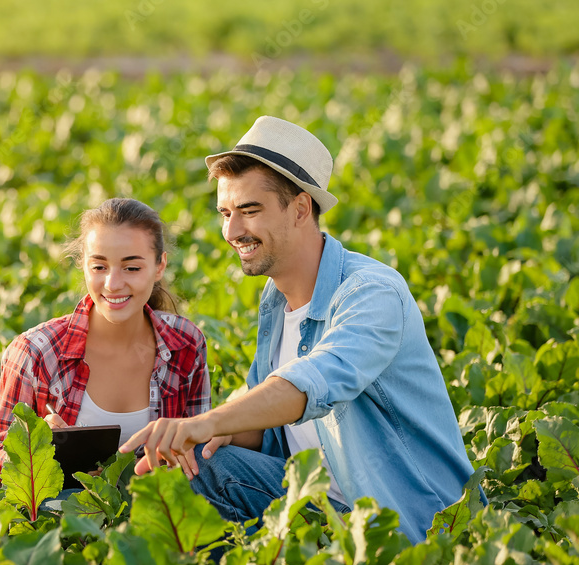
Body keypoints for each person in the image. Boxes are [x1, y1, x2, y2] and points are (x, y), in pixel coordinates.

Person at [119, 116, 478, 542]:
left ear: (301, 209)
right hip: (321, 505)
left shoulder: (371, 293)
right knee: (190, 467)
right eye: (226, 213)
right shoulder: (275, 302)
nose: (232, 232)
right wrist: (209, 430)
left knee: (206, 464)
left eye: (250, 211)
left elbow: (310, 384)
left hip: (404, 521)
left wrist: (206, 422)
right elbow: (269, 424)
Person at [0, 198, 211, 487]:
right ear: (83, 266)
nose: (113, 284)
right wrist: (32, 451)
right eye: (99, 267)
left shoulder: (186, 343)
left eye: (132, 268)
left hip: (159, 514)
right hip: (64, 517)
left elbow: (199, 447)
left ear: (159, 266)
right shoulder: (34, 351)